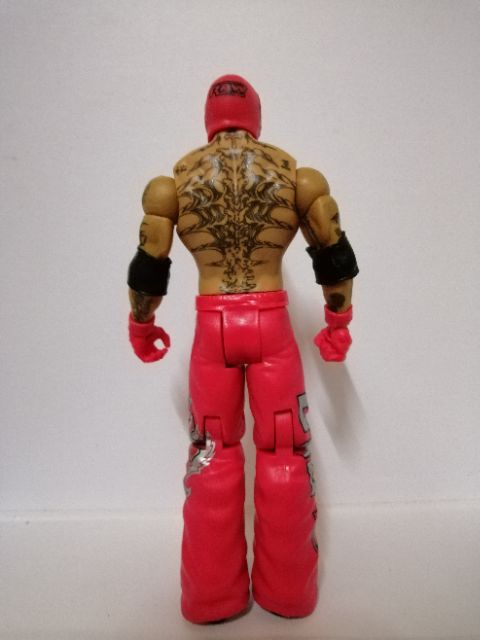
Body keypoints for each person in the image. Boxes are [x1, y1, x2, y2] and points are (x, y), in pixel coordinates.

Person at [127, 74, 359, 624]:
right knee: (285, 450)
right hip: (271, 322)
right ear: (256, 115)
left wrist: (141, 324)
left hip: (214, 327)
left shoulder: (173, 185)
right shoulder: (296, 177)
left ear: (208, 118)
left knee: (211, 451)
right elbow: (333, 252)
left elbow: (149, 263)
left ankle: (210, 597)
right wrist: (338, 320)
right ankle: (289, 593)